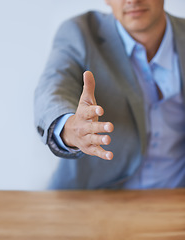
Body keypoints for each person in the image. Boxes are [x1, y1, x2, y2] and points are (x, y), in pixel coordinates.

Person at [34, 0, 185, 189]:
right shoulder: (79, 32)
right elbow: (52, 88)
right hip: (94, 199)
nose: (132, 1)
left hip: (175, 199)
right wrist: (71, 128)